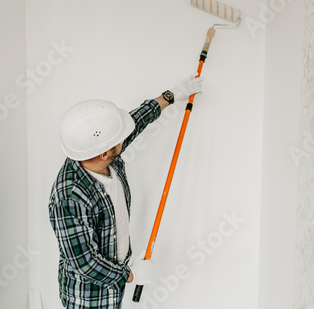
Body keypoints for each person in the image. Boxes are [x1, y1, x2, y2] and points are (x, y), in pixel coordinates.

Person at [48, 74, 203, 309]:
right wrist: (131, 275)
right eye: (118, 139)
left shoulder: (100, 155)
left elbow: (134, 122)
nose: (123, 139)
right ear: (104, 152)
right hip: (88, 297)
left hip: (113, 284)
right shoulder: (70, 198)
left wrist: (170, 96)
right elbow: (85, 263)